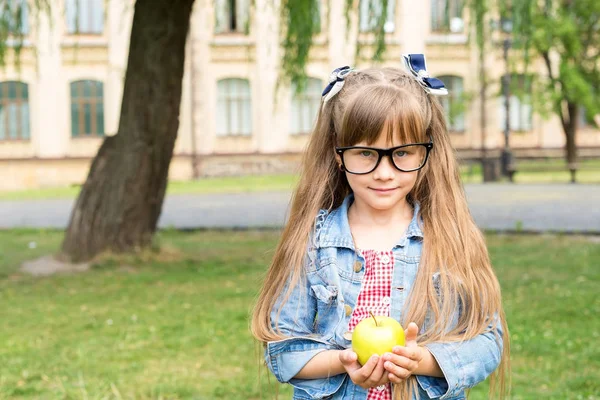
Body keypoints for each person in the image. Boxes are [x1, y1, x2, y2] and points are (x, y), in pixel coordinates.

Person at [251, 54, 510, 399]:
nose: (384, 172)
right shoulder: (313, 242)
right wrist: (344, 362)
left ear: (426, 153)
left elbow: (487, 341)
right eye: (366, 153)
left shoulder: (451, 239)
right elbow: (282, 351)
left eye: (402, 153)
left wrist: (424, 361)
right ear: (338, 154)